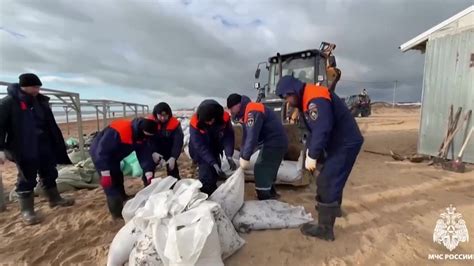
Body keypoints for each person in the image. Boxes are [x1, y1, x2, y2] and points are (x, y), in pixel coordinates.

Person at [276, 75, 363, 241]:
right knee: (330, 178)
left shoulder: (315, 98)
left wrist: (313, 155)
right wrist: (309, 152)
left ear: (293, 91)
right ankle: (332, 210)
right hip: (338, 142)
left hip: (345, 143)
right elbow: (311, 131)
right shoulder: (305, 99)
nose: (287, 101)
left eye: (287, 96)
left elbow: (322, 128)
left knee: (327, 181)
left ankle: (325, 229)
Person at [0, 73, 74, 225]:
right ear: (24, 86)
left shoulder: (40, 101)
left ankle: (54, 199)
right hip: (23, 147)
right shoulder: (9, 103)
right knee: (27, 177)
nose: (37, 90)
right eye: (34, 87)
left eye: (38, 87)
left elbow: (50, 124)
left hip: (44, 143)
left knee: (49, 171)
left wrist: (57, 142)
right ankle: (27, 211)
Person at [89, 117, 157, 218]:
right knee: (111, 184)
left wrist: (149, 173)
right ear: (142, 131)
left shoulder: (142, 137)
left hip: (115, 156)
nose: (147, 138)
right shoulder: (120, 131)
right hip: (99, 153)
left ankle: (122, 197)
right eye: (146, 135)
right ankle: (116, 213)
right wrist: (105, 173)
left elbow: (145, 155)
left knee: (117, 175)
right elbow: (102, 151)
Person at [227, 94, 288, 200]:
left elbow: (252, 136)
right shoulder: (247, 112)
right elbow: (246, 137)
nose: (231, 111)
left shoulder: (252, 111)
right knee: (269, 167)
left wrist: (246, 157)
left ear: (238, 105)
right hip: (274, 141)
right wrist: (243, 154)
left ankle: (264, 196)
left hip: (274, 141)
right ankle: (271, 192)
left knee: (261, 167)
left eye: (231, 108)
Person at [189, 100, 236, 195]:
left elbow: (228, 137)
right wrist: (213, 163)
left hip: (215, 146)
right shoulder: (195, 122)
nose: (210, 123)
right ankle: (207, 196)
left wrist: (229, 155)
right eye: (207, 121)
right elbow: (200, 146)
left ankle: (214, 190)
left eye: (211, 120)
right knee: (207, 173)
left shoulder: (224, 118)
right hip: (201, 151)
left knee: (216, 171)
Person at [145, 102, 184, 185]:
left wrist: (174, 157)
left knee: (172, 169)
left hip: (168, 149)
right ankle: (148, 185)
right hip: (154, 149)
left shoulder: (175, 124)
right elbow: (146, 140)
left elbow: (178, 142)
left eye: (165, 115)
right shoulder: (149, 122)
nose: (163, 118)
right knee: (148, 168)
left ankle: (175, 185)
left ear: (169, 114)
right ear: (156, 114)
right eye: (160, 115)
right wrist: (152, 152)